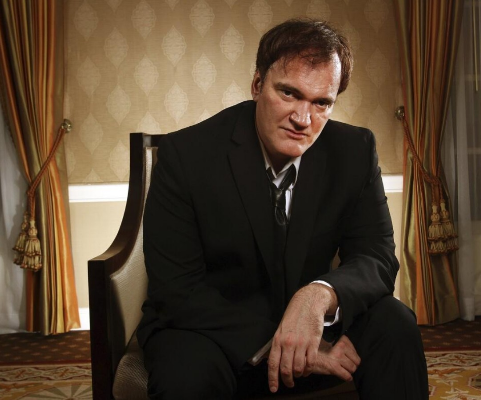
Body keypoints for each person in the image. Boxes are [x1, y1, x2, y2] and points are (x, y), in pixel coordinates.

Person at [137, 17, 429, 399]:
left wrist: (319, 295)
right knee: (184, 374)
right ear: (257, 84)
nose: (302, 119)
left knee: (396, 323)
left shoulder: (354, 151)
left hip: (315, 325)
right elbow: (178, 292)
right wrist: (290, 345)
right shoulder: (186, 156)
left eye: (321, 103)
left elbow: (377, 256)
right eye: (289, 93)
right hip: (215, 333)